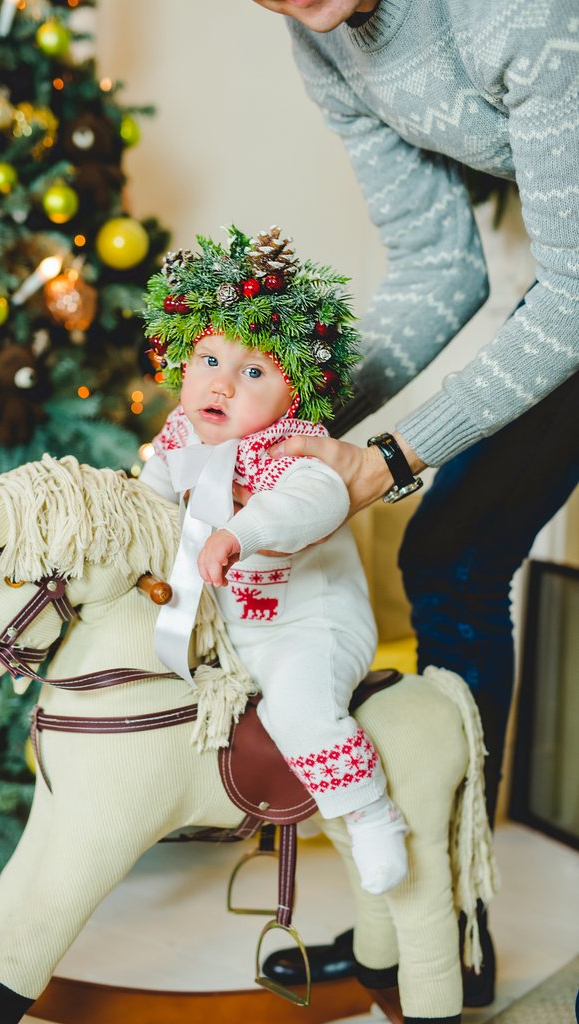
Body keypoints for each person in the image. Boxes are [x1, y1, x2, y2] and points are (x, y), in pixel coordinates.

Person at [247, 0, 579, 1004]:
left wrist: (393, 453)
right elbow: (440, 269)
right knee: (450, 558)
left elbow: (571, 302)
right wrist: (264, 405)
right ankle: (447, 918)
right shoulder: (321, 37)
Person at [140, 224, 410, 897]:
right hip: (228, 631)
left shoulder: (298, 451)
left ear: (293, 396)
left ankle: (370, 811)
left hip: (305, 625)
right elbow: (143, 510)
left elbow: (311, 506)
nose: (222, 385)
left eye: (253, 371)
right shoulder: (176, 443)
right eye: (208, 360)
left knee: (298, 706)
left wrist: (240, 532)